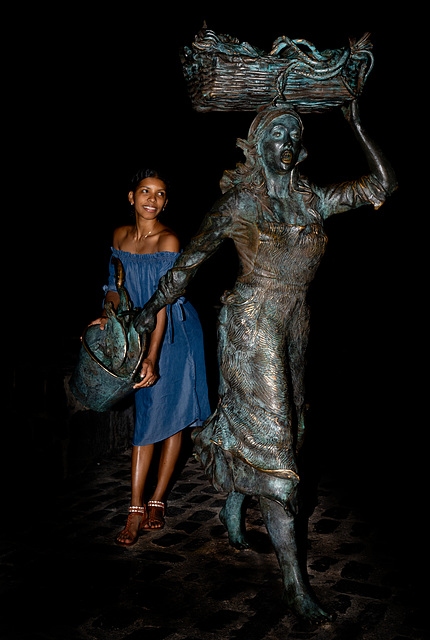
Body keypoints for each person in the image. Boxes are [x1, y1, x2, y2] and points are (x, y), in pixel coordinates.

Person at [132, 101, 397, 623]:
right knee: (278, 447)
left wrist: (357, 122)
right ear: (256, 147)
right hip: (251, 324)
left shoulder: (311, 198)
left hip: (295, 321)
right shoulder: (240, 204)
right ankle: (295, 582)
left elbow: (382, 185)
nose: (289, 143)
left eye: (296, 134)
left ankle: (232, 506)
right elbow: (187, 266)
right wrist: (144, 319)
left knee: (292, 429)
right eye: (278, 133)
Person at [89, 168, 211, 546]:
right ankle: (143, 503)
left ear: (165, 202)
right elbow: (115, 288)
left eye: (159, 194)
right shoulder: (120, 236)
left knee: (168, 417)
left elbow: (162, 304)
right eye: (145, 191)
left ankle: (145, 505)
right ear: (131, 197)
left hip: (173, 332)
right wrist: (106, 317)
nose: (151, 199)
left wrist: (153, 357)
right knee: (150, 414)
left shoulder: (169, 241)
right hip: (139, 333)